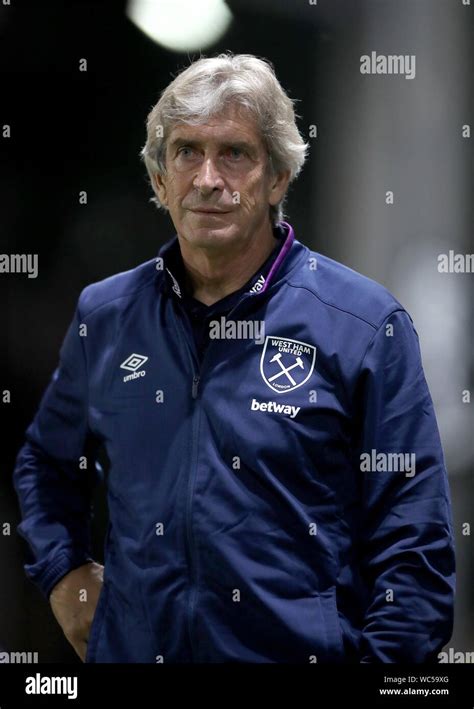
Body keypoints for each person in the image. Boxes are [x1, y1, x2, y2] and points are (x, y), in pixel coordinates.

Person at [13, 52, 455, 663]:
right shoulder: (107, 316)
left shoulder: (364, 325)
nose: (208, 179)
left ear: (277, 178)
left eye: (235, 154)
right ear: (159, 179)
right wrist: (67, 580)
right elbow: (44, 462)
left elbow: (416, 550)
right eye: (187, 152)